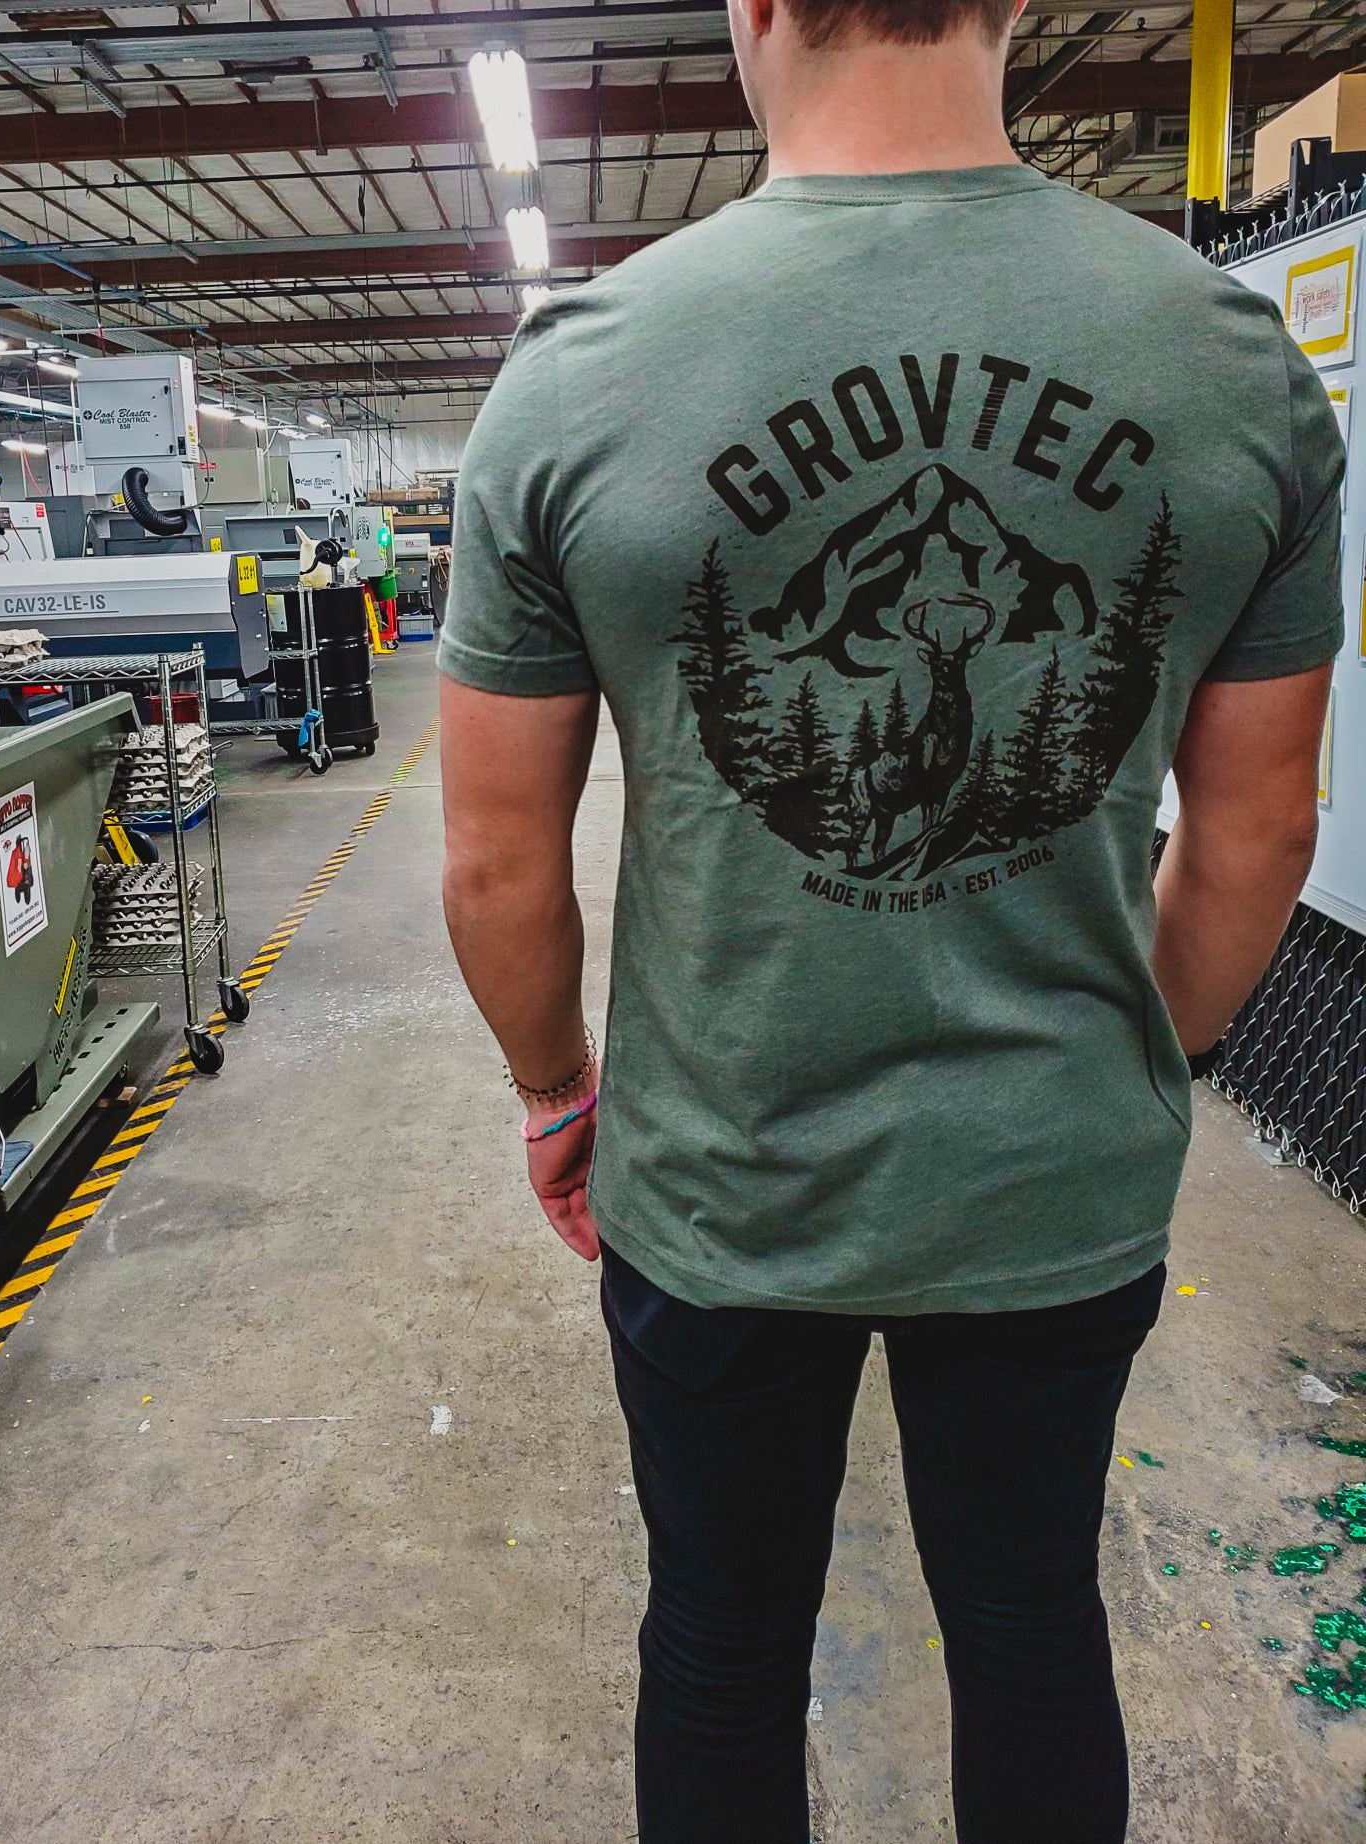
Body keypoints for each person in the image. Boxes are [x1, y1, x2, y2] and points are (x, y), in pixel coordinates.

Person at [437, 1, 1343, 1837]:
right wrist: (1126, 1064)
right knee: (1026, 1629)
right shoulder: (1230, 361)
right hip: (1054, 1184)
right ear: (1009, 2)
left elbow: (495, 866)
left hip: (718, 1179)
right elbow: (1259, 829)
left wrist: (557, 1096)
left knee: (719, 1644)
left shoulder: (580, 371)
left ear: (752, 7)